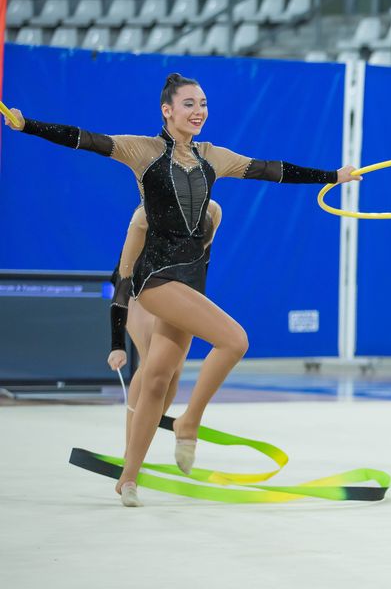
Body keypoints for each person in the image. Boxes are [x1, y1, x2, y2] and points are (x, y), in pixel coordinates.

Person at [3, 73, 361, 507]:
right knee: (235, 341)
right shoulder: (143, 151)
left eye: (203, 103)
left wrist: (333, 175)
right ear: (167, 110)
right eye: (189, 103)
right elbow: (85, 139)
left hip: (189, 281)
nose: (198, 111)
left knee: (158, 380)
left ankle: (128, 478)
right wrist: (28, 124)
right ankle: (189, 422)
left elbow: (273, 170)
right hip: (156, 279)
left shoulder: (213, 157)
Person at [108, 202, 222, 459]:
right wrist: (117, 345)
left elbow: (200, 266)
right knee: (152, 362)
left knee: (173, 370)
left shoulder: (212, 212)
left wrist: (194, 310)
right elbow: (124, 283)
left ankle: (144, 433)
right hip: (139, 286)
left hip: (177, 285)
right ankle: (130, 452)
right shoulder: (148, 214)